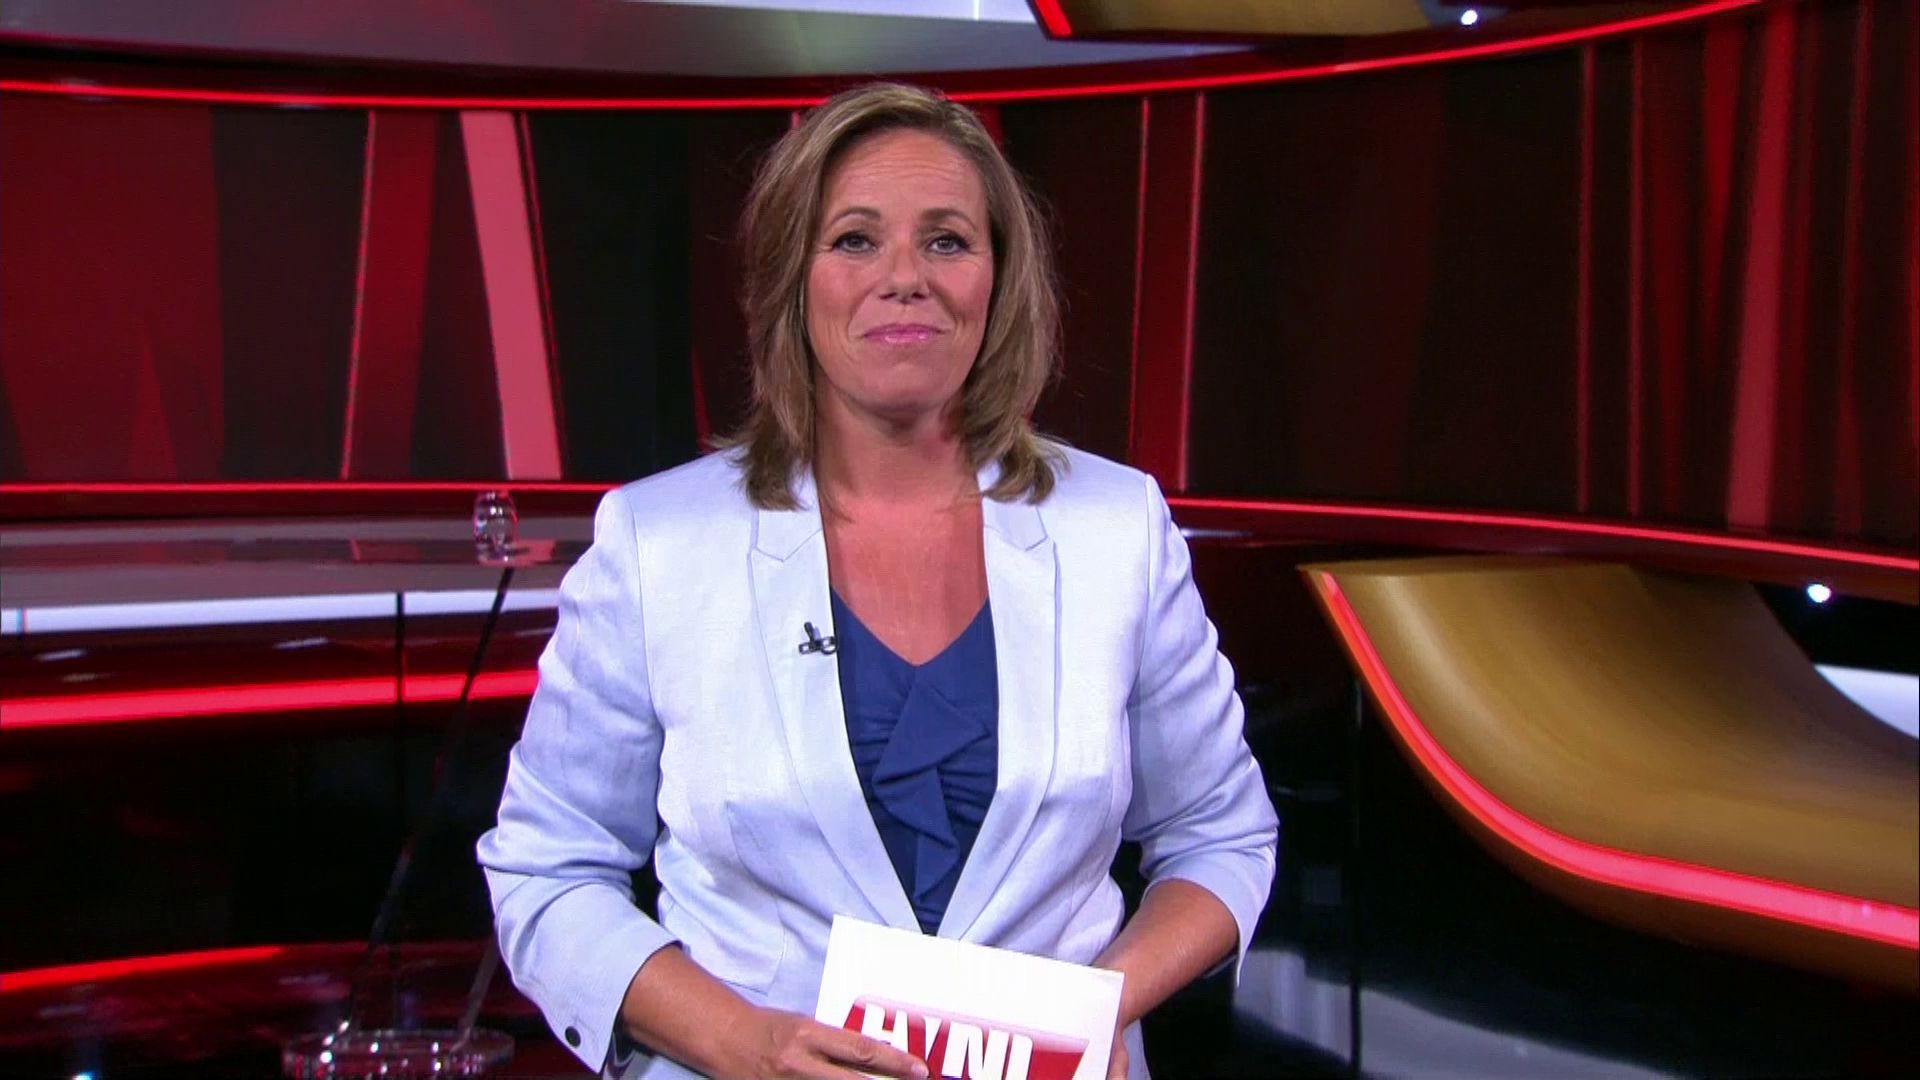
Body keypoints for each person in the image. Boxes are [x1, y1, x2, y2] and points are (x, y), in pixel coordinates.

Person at [477, 82, 1278, 1080]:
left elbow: (1220, 835)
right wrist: (744, 1043)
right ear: (793, 279)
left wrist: (1088, 1014)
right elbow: (547, 872)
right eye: (855, 239)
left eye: (947, 240)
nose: (906, 277)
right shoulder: (659, 543)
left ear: (999, 279)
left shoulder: (1118, 528)